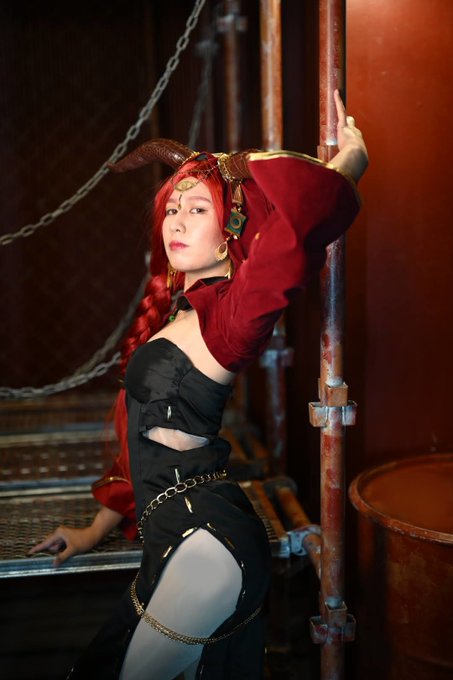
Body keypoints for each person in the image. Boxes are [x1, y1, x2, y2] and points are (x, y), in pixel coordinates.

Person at [29, 90, 368, 679]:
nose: (177, 222)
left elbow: (301, 219)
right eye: (172, 209)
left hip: (207, 543)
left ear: (230, 229)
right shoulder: (180, 317)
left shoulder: (233, 316)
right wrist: (91, 531)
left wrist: (350, 161)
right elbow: (142, 445)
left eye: (198, 208)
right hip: (177, 538)